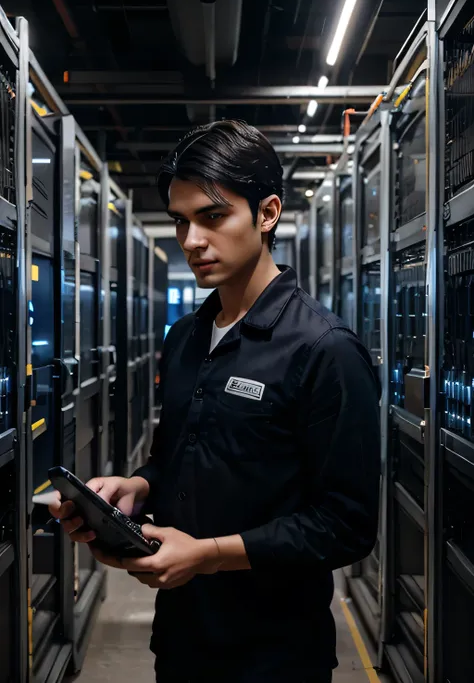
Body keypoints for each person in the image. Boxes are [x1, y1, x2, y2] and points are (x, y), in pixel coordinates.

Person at [50, 120, 381, 683]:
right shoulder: (183, 339)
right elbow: (173, 458)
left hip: (275, 654)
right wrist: (137, 488)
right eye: (181, 222)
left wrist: (207, 554)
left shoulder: (325, 350)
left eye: (212, 216)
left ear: (267, 213)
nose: (191, 241)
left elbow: (346, 524)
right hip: (181, 637)